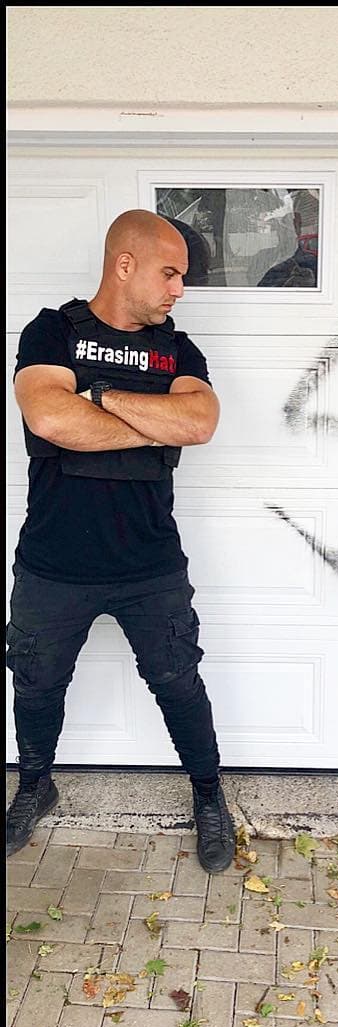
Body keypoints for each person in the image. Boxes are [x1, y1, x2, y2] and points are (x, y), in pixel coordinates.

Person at [5, 210, 235, 873]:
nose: (179, 290)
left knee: (179, 683)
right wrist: (146, 419)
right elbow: (48, 414)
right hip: (54, 563)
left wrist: (97, 397)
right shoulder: (53, 331)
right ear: (125, 265)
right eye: (170, 273)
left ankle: (210, 796)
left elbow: (198, 421)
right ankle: (34, 785)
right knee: (37, 685)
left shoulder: (178, 351)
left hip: (149, 564)